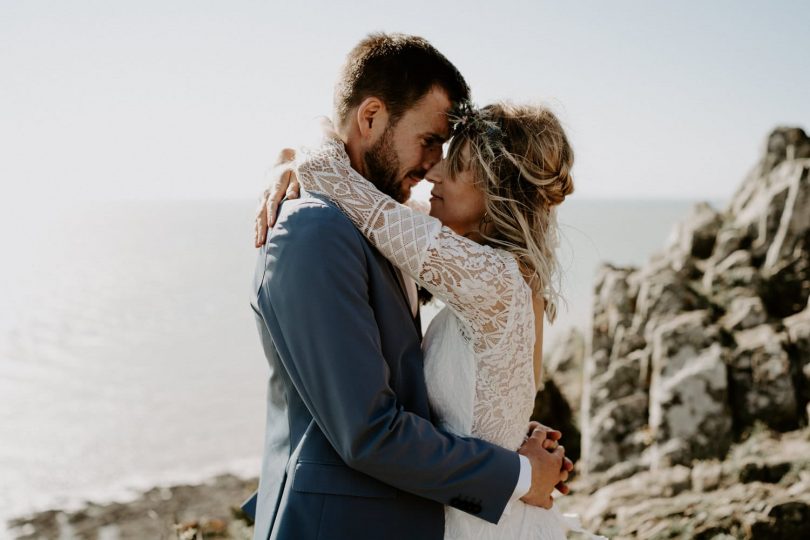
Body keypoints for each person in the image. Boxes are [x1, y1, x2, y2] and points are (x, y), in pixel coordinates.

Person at [246, 33, 574, 540]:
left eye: (451, 157)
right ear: (371, 118)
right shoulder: (317, 232)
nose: (432, 170)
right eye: (429, 142)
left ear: (495, 191)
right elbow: (369, 432)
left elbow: (367, 204)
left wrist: (510, 447)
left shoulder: (462, 260)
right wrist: (519, 470)